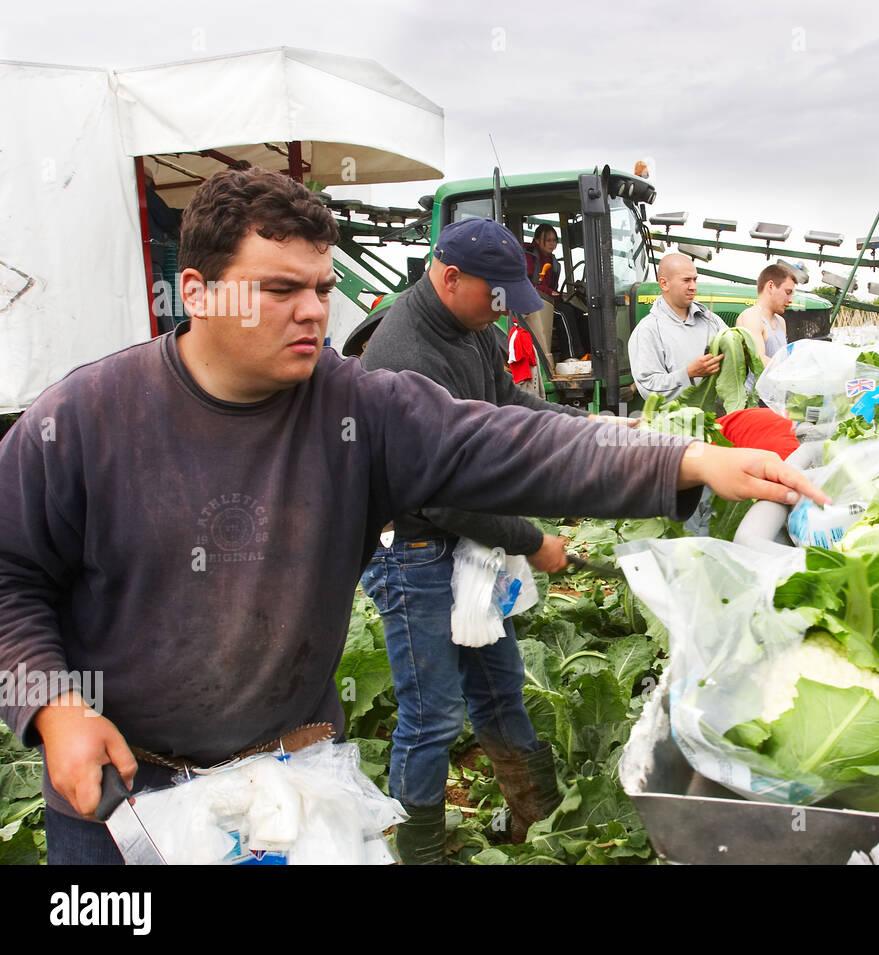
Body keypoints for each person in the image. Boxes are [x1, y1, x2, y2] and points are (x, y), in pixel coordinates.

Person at [0, 166, 828, 864]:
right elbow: (9, 578)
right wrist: (54, 709)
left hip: (289, 790)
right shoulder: (83, 421)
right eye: (279, 290)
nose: (314, 312)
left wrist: (685, 461)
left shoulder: (358, 408)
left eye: (322, 289)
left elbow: (512, 442)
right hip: (117, 800)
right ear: (197, 291)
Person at [359, 217, 604, 862]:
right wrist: (531, 539)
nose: (503, 310)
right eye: (495, 296)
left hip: (464, 548)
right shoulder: (403, 358)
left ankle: (539, 819)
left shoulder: (475, 329)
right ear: (449, 277)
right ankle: (421, 850)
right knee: (432, 716)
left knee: (500, 687)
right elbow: (439, 495)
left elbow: (508, 402)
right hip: (411, 552)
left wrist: (588, 430)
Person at [628, 252, 729, 400]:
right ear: (664, 283)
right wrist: (688, 373)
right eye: (686, 280)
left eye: (695, 279)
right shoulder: (648, 330)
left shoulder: (712, 320)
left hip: (721, 418)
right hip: (679, 420)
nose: (693, 287)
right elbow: (648, 388)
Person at [735, 263, 796, 368]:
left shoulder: (781, 322)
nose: (790, 300)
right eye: (788, 292)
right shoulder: (751, 317)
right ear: (771, 286)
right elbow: (759, 360)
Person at [522, 224, 561, 369]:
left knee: (576, 311)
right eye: (548, 240)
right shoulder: (529, 256)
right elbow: (526, 282)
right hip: (531, 303)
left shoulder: (553, 261)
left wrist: (555, 293)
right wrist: (549, 291)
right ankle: (570, 355)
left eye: (555, 240)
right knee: (564, 314)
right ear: (537, 240)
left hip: (546, 300)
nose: (553, 244)